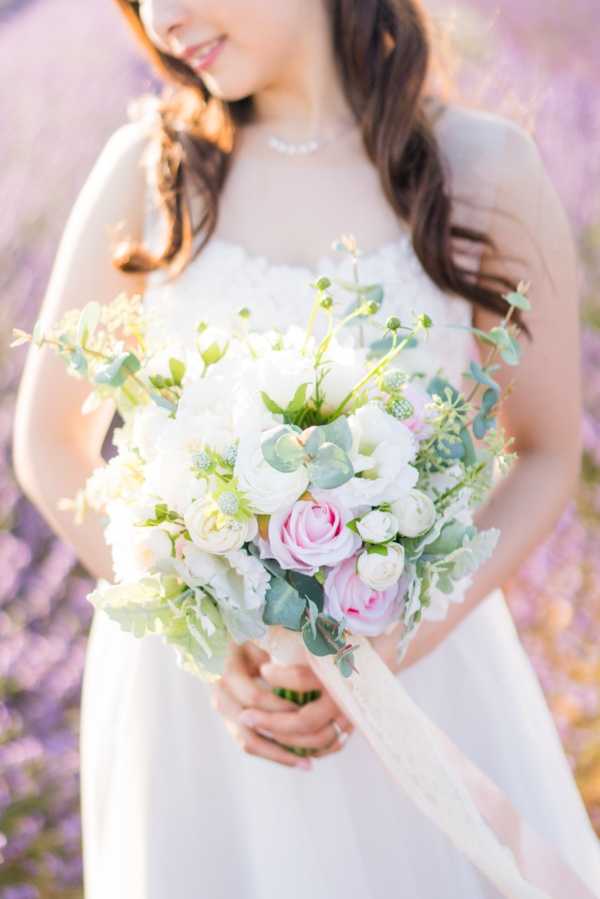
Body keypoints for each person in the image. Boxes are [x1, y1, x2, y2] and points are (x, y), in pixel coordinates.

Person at [12, 0, 600, 896]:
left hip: (419, 674)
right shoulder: (151, 168)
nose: (162, 19)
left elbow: (550, 448)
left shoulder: (480, 165)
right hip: (197, 712)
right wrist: (203, 639)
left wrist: (390, 649)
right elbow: (51, 444)